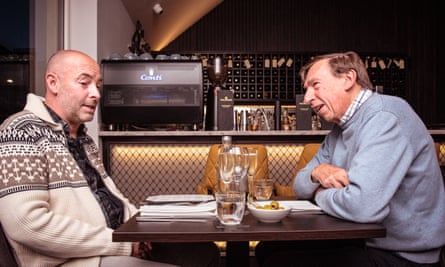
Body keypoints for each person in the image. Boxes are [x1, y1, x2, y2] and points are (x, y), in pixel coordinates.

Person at [0, 50, 220, 267]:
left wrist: (143, 230)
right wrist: (122, 244)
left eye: (98, 85)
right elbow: (27, 225)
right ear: (53, 83)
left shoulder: (82, 137)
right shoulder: (21, 131)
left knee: (204, 252)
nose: (96, 94)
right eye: (84, 83)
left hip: (112, 243)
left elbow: (113, 199)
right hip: (74, 260)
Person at [255, 51, 445, 267]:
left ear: (348, 78)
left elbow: (363, 206)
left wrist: (318, 194)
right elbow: (299, 185)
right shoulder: (340, 129)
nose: (307, 98)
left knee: (279, 262)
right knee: (267, 248)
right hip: (363, 241)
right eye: (306, 89)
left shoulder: (385, 117)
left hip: (404, 255)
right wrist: (317, 172)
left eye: (315, 85)